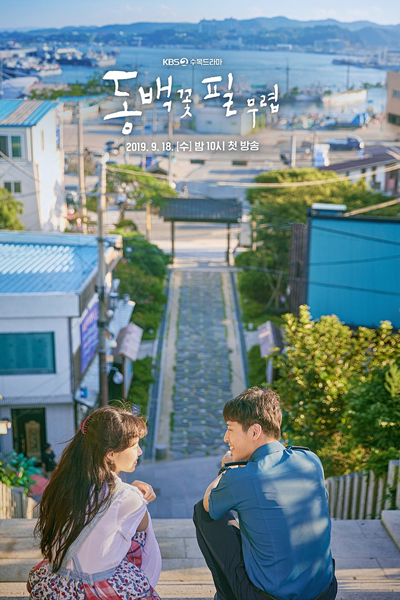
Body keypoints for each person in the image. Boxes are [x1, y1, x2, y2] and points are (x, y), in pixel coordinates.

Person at [193, 387, 337, 600]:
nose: (225, 438)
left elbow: (208, 503)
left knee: (203, 512)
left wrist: (226, 469)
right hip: (325, 591)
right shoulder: (311, 460)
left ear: (254, 432)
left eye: (230, 429)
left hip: (269, 597)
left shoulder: (241, 477)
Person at [27, 405, 161, 600]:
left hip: (56, 584)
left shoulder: (62, 484)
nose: (139, 451)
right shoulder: (128, 498)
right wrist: (136, 494)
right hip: (97, 588)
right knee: (138, 534)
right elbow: (145, 538)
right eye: (134, 446)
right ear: (110, 454)